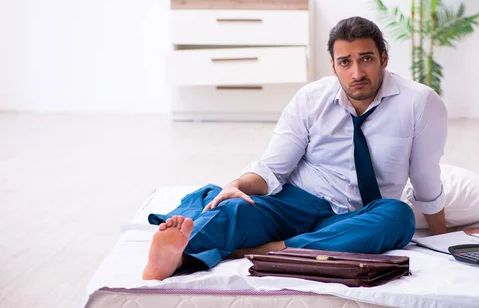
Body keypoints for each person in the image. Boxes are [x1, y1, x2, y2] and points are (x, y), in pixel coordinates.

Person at [142, 16, 448, 281]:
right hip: (294, 202)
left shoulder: (419, 102)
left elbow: (425, 180)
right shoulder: (311, 98)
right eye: (345, 62)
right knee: (234, 207)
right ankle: (178, 258)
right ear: (333, 66)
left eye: (366, 58)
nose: (356, 73)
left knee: (399, 217)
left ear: (384, 57)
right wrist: (236, 184)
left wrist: (446, 242)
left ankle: (268, 249)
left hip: (355, 214)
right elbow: (274, 169)